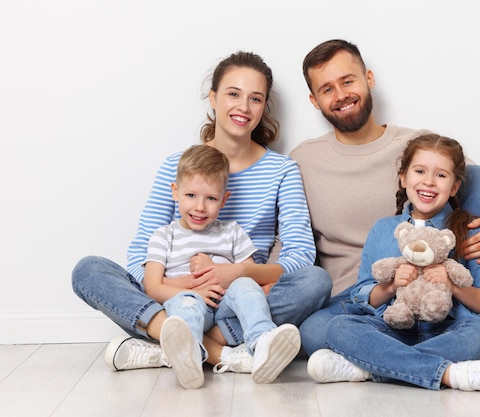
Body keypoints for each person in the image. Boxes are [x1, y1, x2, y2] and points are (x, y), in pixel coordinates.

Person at [71, 51, 332, 379]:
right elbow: (140, 254)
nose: (243, 107)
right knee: (89, 270)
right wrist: (178, 285)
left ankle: (175, 346)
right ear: (213, 97)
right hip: (174, 297)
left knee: (316, 281)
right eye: (233, 94)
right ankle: (216, 351)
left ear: (264, 107)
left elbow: (302, 255)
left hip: (240, 299)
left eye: (255, 98)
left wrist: (240, 273)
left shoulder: (282, 170)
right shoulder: (178, 166)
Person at [290, 39, 480, 367]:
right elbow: (286, 232)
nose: (341, 94)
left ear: (368, 79)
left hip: (439, 294)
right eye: (327, 89)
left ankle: (369, 361)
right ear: (314, 100)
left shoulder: (417, 147)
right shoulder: (303, 159)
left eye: (348, 81)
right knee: (315, 331)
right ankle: (445, 366)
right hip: (361, 299)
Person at [307, 133, 480, 392]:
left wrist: (454, 286)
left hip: (449, 330)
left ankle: (370, 368)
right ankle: (451, 374)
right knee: (339, 327)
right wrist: (392, 286)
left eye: (441, 175)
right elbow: (361, 296)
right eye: (420, 171)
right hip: (392, 327)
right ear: (404, 177)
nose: (429, 182)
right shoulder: (383, 229)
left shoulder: (472, 231)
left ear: (454, 187)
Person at [143, 144, 300, 389]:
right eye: (191, 195)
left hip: (226, 306)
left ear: (224, 199)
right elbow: (152, 286)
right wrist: (192, 290)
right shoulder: (163, 236)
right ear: (175, 192)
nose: (200, 207)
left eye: (211, 198)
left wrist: (216, 269)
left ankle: (262, 343)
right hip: (189, 304)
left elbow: (248, 275)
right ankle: (190, 355)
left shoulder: (232, 232)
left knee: (247, 285)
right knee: (189, 304)